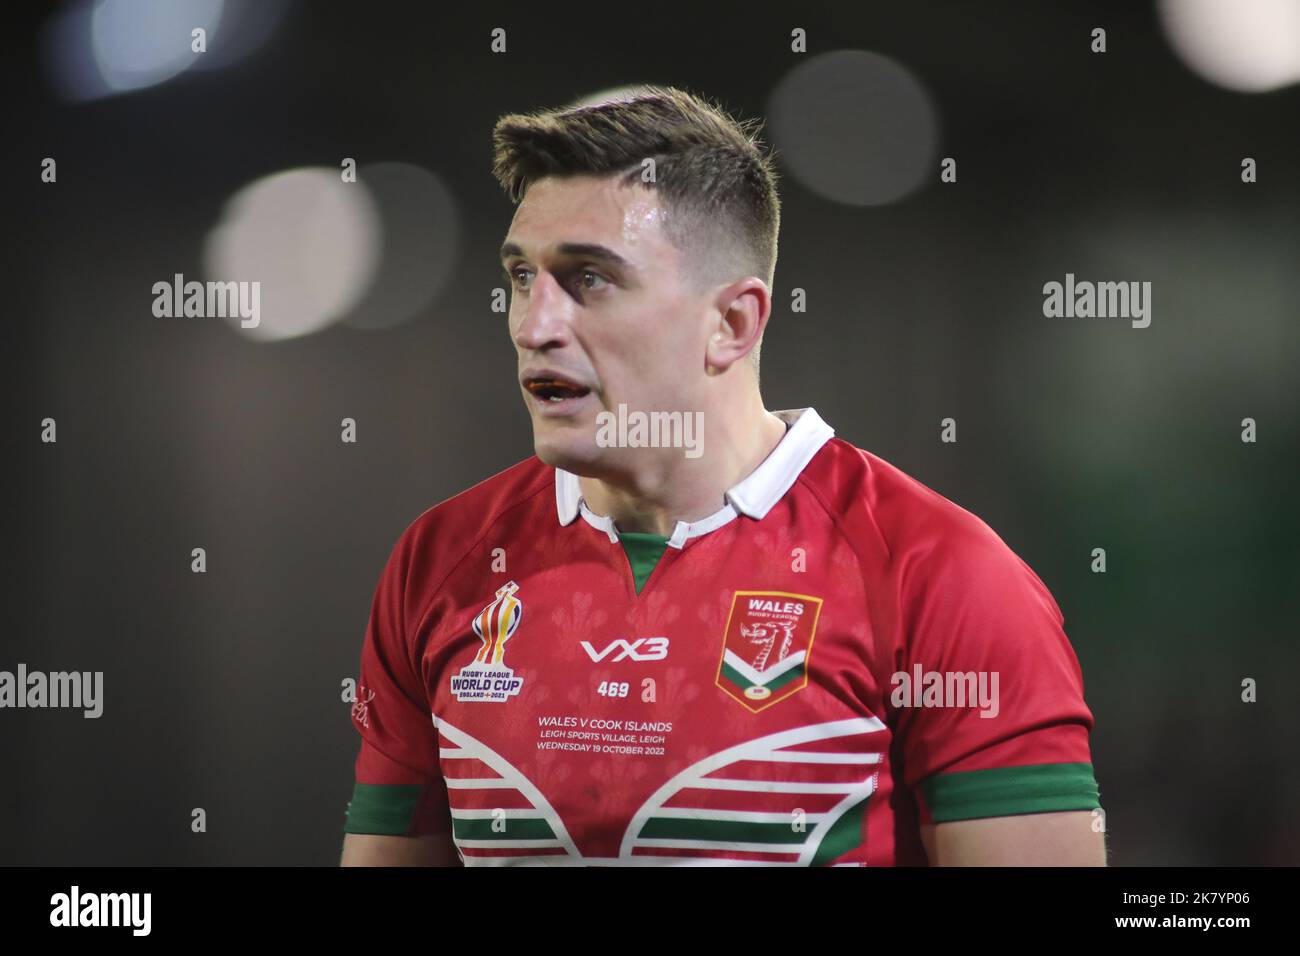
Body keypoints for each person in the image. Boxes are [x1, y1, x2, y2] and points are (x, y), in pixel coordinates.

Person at [340, 86, 1105, 866]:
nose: (536, 326)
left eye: (590, 280)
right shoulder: (441, 565)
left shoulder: (940, 575)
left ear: (732, 324)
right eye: (521, 277)